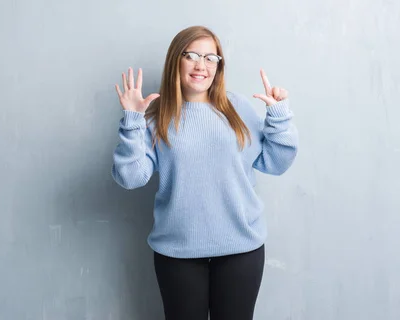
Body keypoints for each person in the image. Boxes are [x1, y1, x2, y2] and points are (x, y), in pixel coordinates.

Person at [111, 25, 299, 320]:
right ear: (177, 59)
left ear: (219, 66)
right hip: (178, 253)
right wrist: (132, 121)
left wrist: (280, 117)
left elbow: (275, 163)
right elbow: (131, 177)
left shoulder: (238, 109)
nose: (202, 65)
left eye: (211, 58)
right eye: (193, 55)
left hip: (241, 250)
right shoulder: (157, 118)